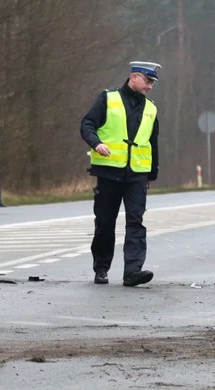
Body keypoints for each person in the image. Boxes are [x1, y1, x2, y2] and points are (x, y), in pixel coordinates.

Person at [79, 61, 161, 287]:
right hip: (109, 172)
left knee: (136, 221)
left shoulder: (151, 108)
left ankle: (132, 272)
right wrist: (96, 144)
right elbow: (87, 124)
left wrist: (151, 175)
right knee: (105, 222)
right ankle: (101, 268)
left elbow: (153, 143)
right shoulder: (108, 98)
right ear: (134, 77)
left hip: (137, 174)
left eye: (152, 83)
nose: (150, 87)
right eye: (148, 81)